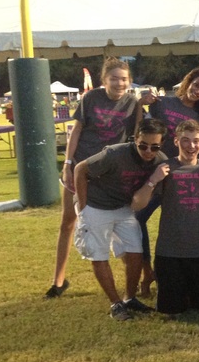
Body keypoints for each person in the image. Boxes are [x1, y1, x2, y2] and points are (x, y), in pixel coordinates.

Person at [46, 56, 152, 299]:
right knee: (68, 221)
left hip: (111, 173)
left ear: (130, 81)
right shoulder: (90, 98)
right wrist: (68, 164)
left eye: (124, 79)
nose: (119, 83)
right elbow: (76, 132)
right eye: (114, 78)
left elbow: (136, 135)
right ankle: (58, 281)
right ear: (104, 80)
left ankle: (143, 277)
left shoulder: (132, 103)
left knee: (123, 228)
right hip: (81, 167)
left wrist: (142, 106)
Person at [72, 117, 168, 321]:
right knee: (99, 255)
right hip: (95, 205)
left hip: (123, 207)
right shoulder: (115, 154)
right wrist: (83, 206)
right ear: (135, 140)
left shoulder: (160, 161)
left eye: (154, 146)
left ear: (161, 145)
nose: (148, 151)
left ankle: (129, 298)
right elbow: (80, 169)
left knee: (136, 251)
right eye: (143, 145)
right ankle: (115, 304)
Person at [131, 119, 199, 315]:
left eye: (196, 141)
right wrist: (153, 180)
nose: (191, 146)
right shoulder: (165, 168)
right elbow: (137, 204)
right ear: (176, 141)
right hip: (170, 252)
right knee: (170, 309)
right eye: (185, 140)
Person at [136, 67, 199, 294]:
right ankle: (147, 273)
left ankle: (187, 269)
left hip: (184, 176)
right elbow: (141, 130)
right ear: (188, 81)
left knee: (182, 223)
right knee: (137, 218)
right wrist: (138, 104)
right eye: (197, 86)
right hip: (159, 172)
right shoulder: (161, 104)